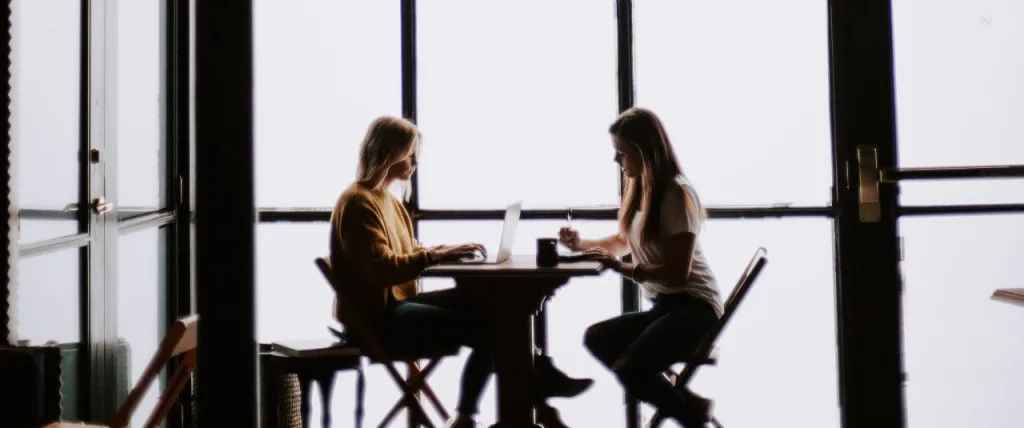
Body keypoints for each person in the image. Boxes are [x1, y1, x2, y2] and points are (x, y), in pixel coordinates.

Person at [329, 116, 591, 428]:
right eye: (409, 154)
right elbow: (383, 270)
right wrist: (437, 255)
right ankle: (513, 401)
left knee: (491, 308)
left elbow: (410, 252)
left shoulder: (388, 200)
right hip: (377, 320)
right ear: (389, 153)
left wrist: (447, 250)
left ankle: (514, 403)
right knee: (491, 325)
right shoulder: (358, 203)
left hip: (394, 307)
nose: (414, 163)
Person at [558, 107, 723, 427]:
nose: (616, 161)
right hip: (666, 307)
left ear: (643, 151)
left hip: (695, 310)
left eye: (621, 152)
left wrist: (622, 269)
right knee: (597, 338)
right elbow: (622, 241)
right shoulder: (642, 191)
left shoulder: (676, 193)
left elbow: (679, 273)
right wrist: (580, 245)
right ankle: (691, 408)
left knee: (630, 368)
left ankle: (691, 416)